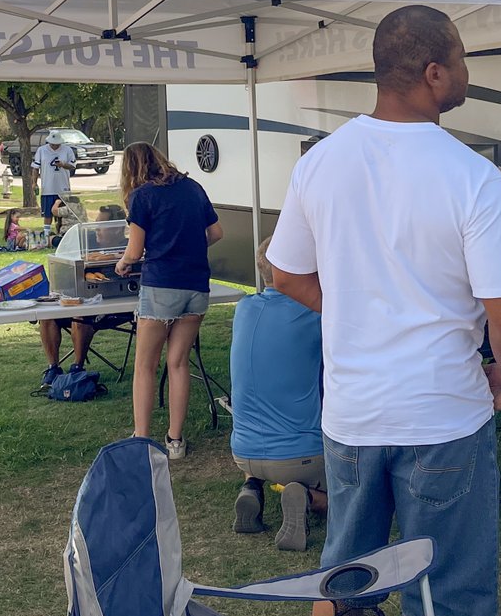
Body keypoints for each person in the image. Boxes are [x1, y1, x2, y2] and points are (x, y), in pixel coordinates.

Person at [269, 4, 501, 616]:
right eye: (461, 58)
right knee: (435, 598)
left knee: (342, 582)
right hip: (444, 414)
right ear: (433, 74)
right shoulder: (475, 178)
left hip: (352, 414)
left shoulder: (320, 162)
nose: (466, 70)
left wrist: (354, 310)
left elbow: (283, 272)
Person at [115, 143, 222, 460]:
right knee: (178, 364)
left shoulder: (141, 196)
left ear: (131, 169)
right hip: (196, 286)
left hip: (161, 285)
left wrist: (123, 264)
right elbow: (216, 232)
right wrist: (189, 245)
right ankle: (176, 441)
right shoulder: (192, 187)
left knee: (145, 366)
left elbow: (134, 252)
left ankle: (142, 438)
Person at [229, 237, 326, 550]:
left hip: (243, 451)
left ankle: (251, 488)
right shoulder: (314, 314)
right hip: (301, 456)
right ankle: (307, 496)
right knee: (355, 497)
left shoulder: (244, 309)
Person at [37, 204, 129, 387]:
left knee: (81, 315)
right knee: (47, 315)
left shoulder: (128, 247)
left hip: (115, 307)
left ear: (117, 228)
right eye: (95, 225)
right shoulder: (88, 244)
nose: (96, 231)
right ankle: (53, 367)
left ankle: (77, 367)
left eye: (101, 226)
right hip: (82, 298)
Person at [32, 131, 75, 241]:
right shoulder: (42, 150)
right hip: (48, 187)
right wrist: (34, 183)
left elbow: (72, 165)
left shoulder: (67, 150)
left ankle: (61, 234)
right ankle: (46, 236)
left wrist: (63, 164)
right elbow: (35, 168)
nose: (55, 145)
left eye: (57, 143)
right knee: (47, 213)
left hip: (63, 187)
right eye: (52, 143)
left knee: (63, 214)